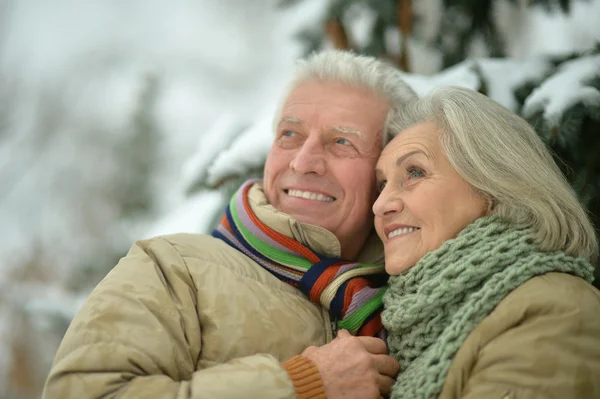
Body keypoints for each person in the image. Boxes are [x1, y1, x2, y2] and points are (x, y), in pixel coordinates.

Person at [42, 50, 417, 399]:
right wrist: (301, 385)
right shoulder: (173, 269)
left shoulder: (417, 298)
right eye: (290, 135)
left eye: (340, 142)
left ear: (386, 172)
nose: (304, 162)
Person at [373, 86, 600, 399]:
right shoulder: (414, 332)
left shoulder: (553, 311)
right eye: (382, 185)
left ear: (492, 186)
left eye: (414, 172)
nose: (380, 204)